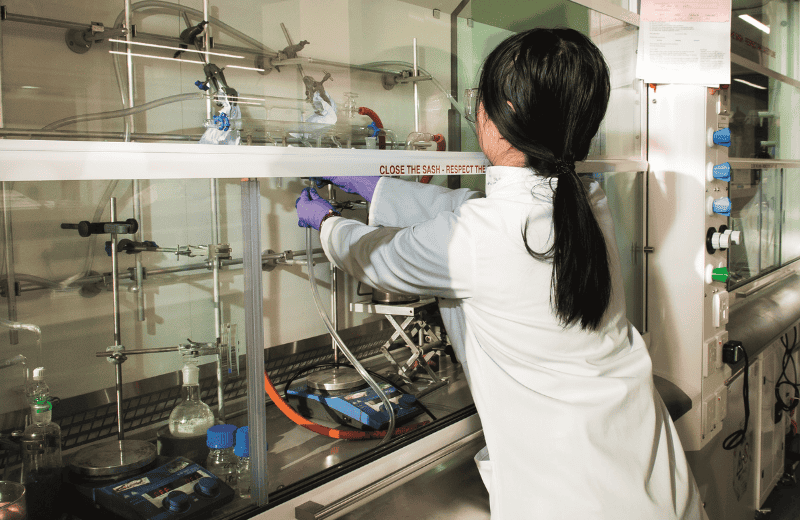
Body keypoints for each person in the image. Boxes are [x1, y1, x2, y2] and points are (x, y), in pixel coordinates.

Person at [295, 28, 703, 519]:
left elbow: (377, 257)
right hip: (652, 477)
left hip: (575, 499)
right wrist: (379, 190)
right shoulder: (589, 201)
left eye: (478, 99)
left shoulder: (483, 237)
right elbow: (475, 213)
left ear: (499, 112)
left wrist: (328, 224)